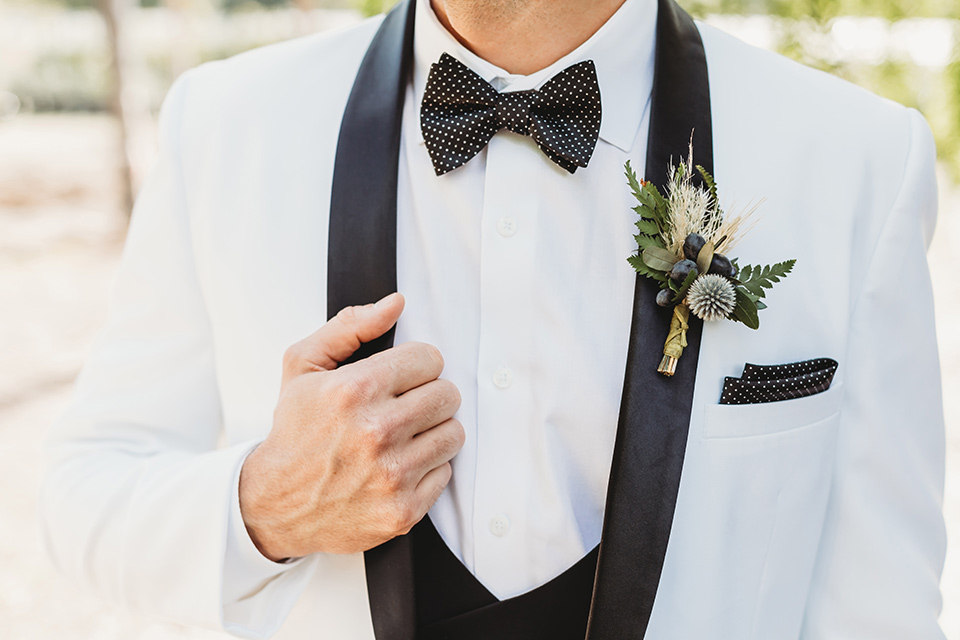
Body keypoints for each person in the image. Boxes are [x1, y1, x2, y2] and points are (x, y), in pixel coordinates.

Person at [41, 0, 948, 637]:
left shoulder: (858, 160)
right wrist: (265, 505)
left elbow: (883, 609)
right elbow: (83, 501)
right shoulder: (226, 126)